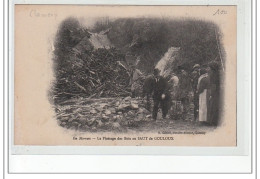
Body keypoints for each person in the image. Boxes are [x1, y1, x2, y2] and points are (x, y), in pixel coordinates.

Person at [207, 61, 220, 126]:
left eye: (209, 67)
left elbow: (213, 85)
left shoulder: (213, 74)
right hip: (217, 92)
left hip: (214, 93)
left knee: (213, 106)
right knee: (215, 107)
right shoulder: (217, 73)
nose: (208, 69)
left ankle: (212, 122)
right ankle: (214, 121)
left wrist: (211, 94)